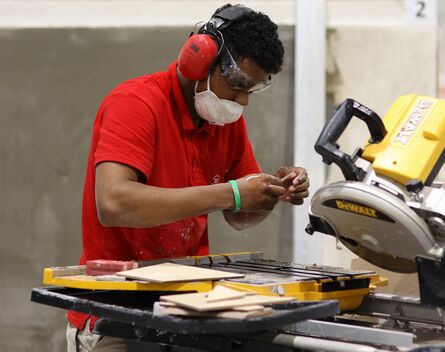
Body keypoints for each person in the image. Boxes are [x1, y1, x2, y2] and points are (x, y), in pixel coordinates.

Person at [66, 3, 309, 351]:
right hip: (115, 312)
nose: (242, 101)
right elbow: (113, 203)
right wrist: (232, 193)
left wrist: (270, 193)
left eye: (252, 90)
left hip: (185, 306)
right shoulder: (135, 103)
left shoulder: (226, 121)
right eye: (239, 83)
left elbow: (240, 215)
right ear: (200, 57)